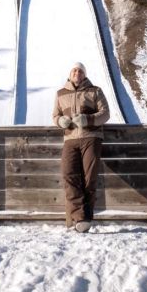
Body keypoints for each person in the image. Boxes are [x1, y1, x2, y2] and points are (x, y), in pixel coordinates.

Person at [51, 61, 110, 233]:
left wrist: (87, 120)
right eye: (74, 70)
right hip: (70, 139)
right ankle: (79, 217)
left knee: (89, 178)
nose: (77, 73)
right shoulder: (60, 93)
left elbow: (105, 113)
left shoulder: (95, 91)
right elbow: (55, 115)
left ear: (85, 74)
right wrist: (60, 121)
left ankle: (83, 219)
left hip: (91, 138)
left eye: (80, 71)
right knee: (68, 175)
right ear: (70, 74)